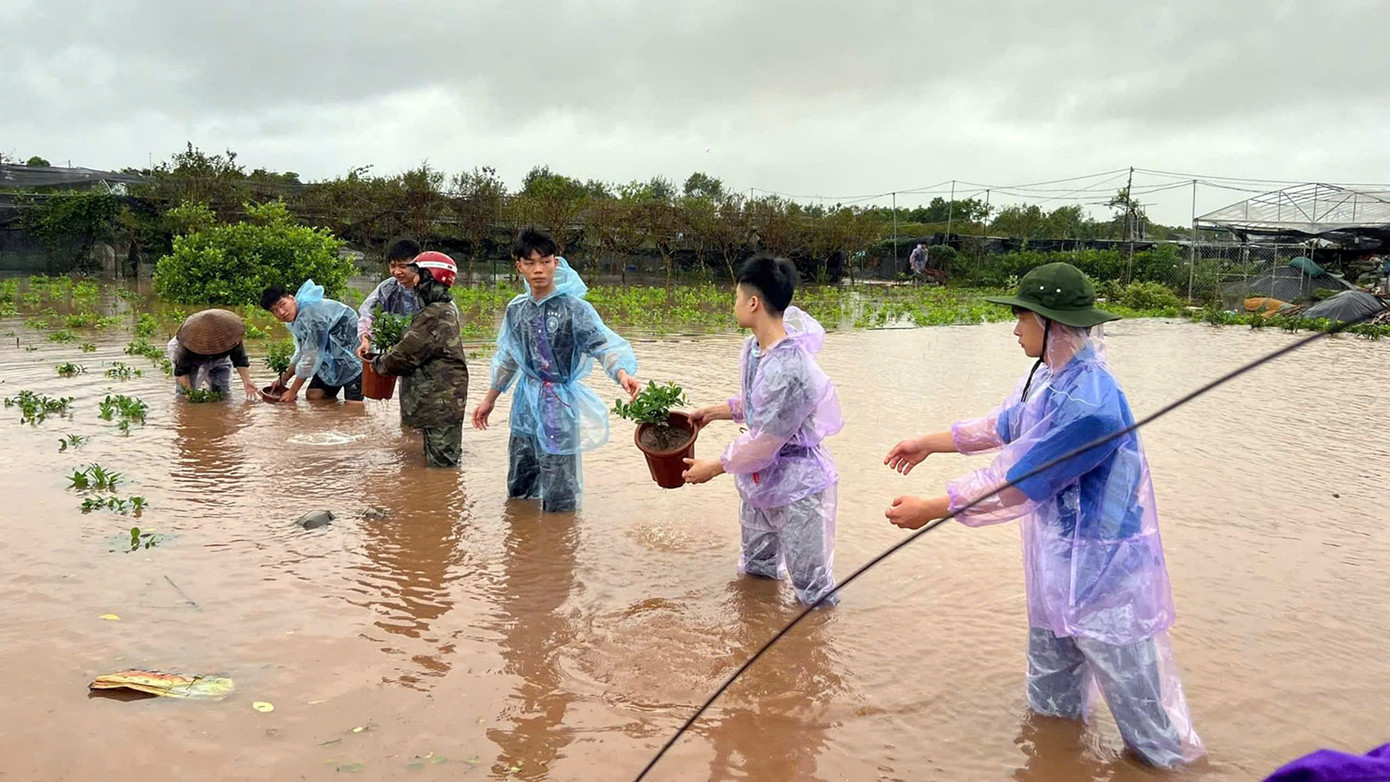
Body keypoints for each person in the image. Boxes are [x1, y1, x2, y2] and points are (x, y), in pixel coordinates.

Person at [881, 262, 1202, 768]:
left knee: (1150, 732)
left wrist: (934, 507)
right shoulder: (1051, 383)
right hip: (1056, 568)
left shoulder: (1091, 406)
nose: (1014, 330)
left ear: (1051, 323)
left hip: (1106, 578)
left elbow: (1021, 480)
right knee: (1052, 705)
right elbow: (1004, 425)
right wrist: (928, 442)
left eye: (1021, 318)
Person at [682, 254, 843, 606]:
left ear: (753, 302)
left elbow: (765, 441)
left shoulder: (790, 368)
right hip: (760, 482)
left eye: (737, 298)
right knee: (757, 572)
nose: (734, 305)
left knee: (812, 592)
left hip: (798, 486)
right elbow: (758, 404)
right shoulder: (755, 350)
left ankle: (811, 654)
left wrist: (715, 465)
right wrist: (712, 412)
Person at [471, 227, 641, 512]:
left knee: (559, 483)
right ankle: (523, 542)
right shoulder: (517, 309)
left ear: (555, 263)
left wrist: (622, 373)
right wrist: (490, 399)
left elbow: (601, 345)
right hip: (525, 402)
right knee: (521, 479)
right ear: (519, 266)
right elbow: (509, 358)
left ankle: (559, 542)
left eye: (545, 261)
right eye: (530, 262)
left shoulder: (575, 309)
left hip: (559, 405)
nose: (538, 269)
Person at [371, 252, 470, 467]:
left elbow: (403, 356)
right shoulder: (440, 310)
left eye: (417, 275)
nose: (413, 281)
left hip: (438, 405)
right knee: (436, 466)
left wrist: (377, 364)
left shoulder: (434, 314)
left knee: (442, 469)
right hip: (439, 404)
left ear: (429, 277)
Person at [260, 280, 363, 404]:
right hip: (331, 357)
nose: (281, 313)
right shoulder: (295, 320)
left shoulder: (312, 316)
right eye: (275, 311)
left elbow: (311, 356)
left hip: (353, 358)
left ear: (292, 299)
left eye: (282, 305)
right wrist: (284, 379)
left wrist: (293, 391)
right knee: (313, 395)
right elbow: (301, 352)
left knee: (353, 407)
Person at [165, 309, 258, 400]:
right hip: (193, 356)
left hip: (221, 357)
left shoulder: (230, 337)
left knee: (222, 392)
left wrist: (247, 381)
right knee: (183, 394)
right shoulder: (188, 343)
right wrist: (190, 396)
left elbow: (240, 360)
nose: (212, 348)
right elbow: (182, 371)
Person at [356, 237, 423, 359]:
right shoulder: (388, 287)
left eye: (403, 266)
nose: (397, 272)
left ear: (417, 266)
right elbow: (368, 316)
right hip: (393, 353)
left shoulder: (428, 289)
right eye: (393, 266)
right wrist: (365, 340)